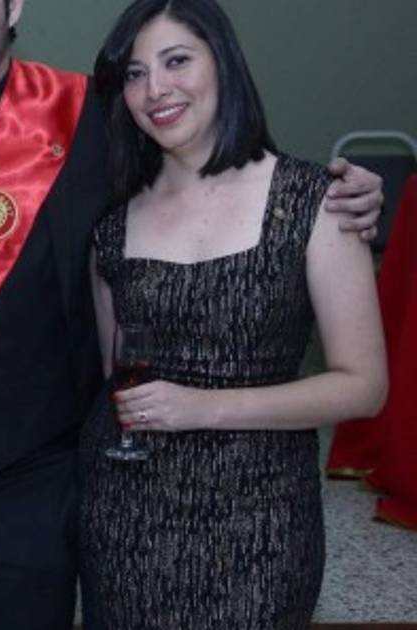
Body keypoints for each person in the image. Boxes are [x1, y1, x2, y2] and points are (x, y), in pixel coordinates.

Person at [0, 0, 384, 628]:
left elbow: (220, 170)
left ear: (13, 6)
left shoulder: (90, 121)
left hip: (34, 489)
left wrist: (351, 197)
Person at [79, 0, 387, 627]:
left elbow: (364, 387)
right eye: (135, 73)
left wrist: (202, 407)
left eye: (176, 61)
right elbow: (114, 379)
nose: (155, 89)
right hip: (126, 520)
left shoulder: (315, 201)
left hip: (260, 522)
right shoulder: (112, 224)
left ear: (222, 62)